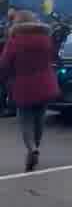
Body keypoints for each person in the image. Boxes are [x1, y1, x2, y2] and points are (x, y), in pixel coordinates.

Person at [0, 9, 60, 171]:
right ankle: (37, 146)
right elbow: (53, 57)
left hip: (23, 85)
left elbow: (5, 63)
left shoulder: (15, 40)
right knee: (40, 119)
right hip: (46, 84)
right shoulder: (45, 38)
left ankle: (32, 149)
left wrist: (3, 78)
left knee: (26, 120)